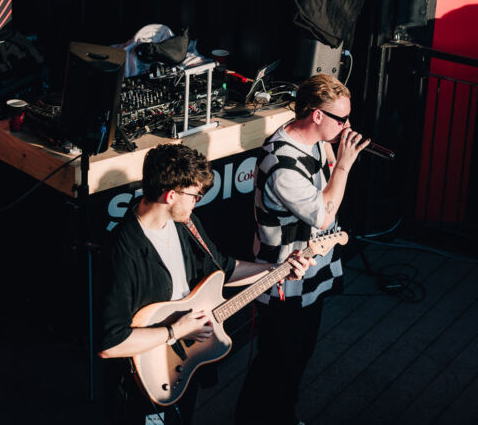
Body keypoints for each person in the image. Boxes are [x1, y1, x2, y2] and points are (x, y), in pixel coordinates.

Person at [97, 144, 314, 425]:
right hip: (145, 378)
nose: (197, 201)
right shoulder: (122, 251)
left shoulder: (186, 224)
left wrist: (276, 271)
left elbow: (225, 268)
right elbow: (110, 344)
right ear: (170, 195)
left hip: (185, 363)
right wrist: (175, 330)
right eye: (194, 195)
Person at [234, 74, 370, 425]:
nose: (347, 126)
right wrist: (343, 164)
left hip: (310, 269)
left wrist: (331, 154)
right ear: (317, 115)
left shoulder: (314, 141)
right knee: (276, 362)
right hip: (283, 277)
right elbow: (323, 215)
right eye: (341, 119)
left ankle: (283, 415)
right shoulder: (282, 165)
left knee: (298, 357)